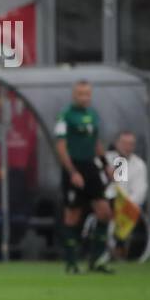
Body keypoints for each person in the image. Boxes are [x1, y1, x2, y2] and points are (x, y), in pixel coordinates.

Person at [55, 80, 113, 273]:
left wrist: (106, 165)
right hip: (74, 167)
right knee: (72, 216)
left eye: (87, 94)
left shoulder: (93, 115)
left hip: (90, 167)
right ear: (74, 95)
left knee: (105, 212)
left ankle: (97, 260)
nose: (84, 97)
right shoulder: (65, 116)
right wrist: (72, 172)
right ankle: (71, 263)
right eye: (80, 94)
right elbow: (61, 147)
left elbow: (96, 142)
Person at [105, 130, 147, 261]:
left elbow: (140, 190)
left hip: (129, 206)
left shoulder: (139, 164)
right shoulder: (107, 159)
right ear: (117, 143)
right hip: (107, 202)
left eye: (131, 144)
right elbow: (113, 187)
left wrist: (126, 204)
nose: (127, 147)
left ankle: (120, 249)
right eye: (124, 143)